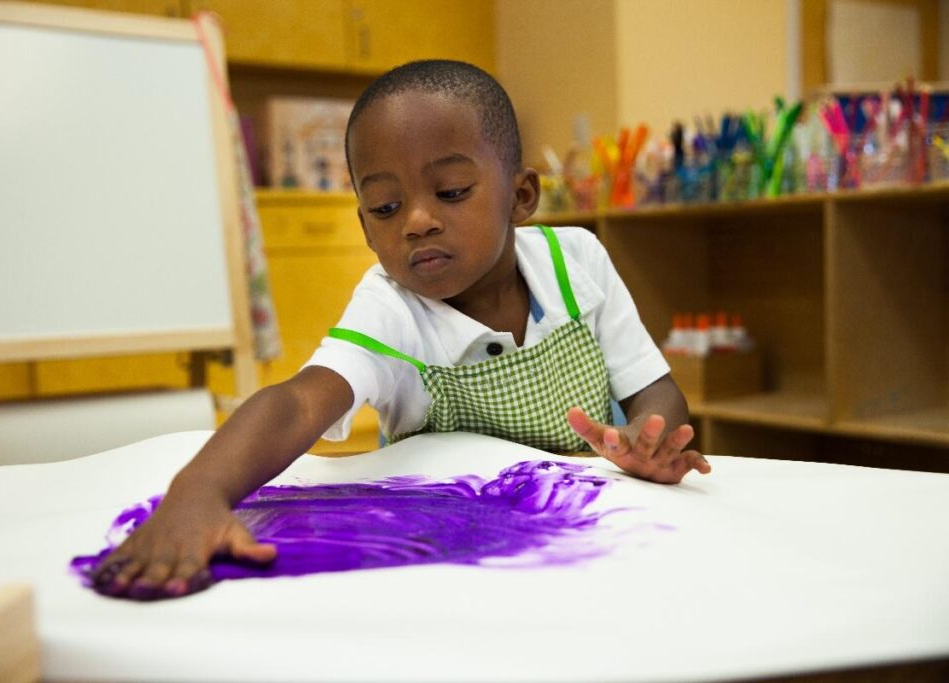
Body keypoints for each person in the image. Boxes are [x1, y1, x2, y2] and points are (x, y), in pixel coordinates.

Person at [91, 60, 709, 601]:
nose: (415, 220)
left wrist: (647, 441)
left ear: (521, 196)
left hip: (599, 544)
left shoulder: (579, 263)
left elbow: (651, 389)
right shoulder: (392, 309)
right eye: (385, 208)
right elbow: (298, 401)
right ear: (365, 228)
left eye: (451, 191)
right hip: (454, 560)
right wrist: (198, 492)